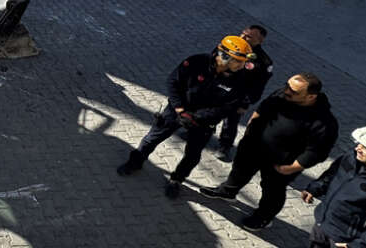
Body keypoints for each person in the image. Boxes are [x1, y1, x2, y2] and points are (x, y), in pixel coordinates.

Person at [116, 36, 254, 199]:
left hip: (203, 123)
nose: (241, 65)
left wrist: (197, 117)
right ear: (223, 56)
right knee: (151, 139)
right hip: (176, 111)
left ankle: (177, 180)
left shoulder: (240, 79)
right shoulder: (196, 62)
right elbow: (173, 82)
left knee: (192, 155)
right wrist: (181, 110)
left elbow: (228, 107)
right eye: (237, 61)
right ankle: (135, 163)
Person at [201, 73, 338, 231]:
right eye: (287, 86)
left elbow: (317, 152)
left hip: (283, 163)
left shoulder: (325, 122)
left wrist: (291, 168)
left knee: (272, 190)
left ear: (311, 96)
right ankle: (227, 191)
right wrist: (249, 133)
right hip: (254, 147)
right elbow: (261, 110)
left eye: (294, 91)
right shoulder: (282, 95)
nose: (286, 91)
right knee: (240, 171)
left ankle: (264, 217)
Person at [215, 25, 274, 162]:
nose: (242, 37)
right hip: (218, 89)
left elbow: (258, 87)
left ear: (260, 40)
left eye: (248, 36)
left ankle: (225, 146)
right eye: (243, 33)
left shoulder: (263, 62)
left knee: (230, 122)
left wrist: (245, 103)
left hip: (237, 97)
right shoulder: (231, 46)